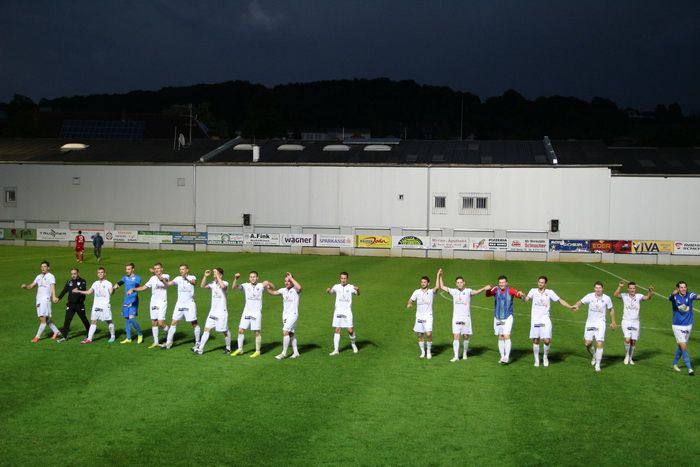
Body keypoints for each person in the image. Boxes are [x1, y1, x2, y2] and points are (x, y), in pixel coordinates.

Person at [522, 276, 576, 367]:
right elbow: (526, 299)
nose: (540, 284)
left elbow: (560, 300)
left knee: (547, 340)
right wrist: (522, 295)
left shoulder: (550, 292)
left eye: (542, 282)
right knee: (536, 340)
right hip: (535, 319)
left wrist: (570, 307)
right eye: (539, 282)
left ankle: (545, 357)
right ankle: (536, 360)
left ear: (545, 284)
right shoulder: (533, 291)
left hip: (545, 319)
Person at [438, 273, 490, 362]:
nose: (459, 284)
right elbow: (442, 287)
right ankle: (456, 356)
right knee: (456, 336)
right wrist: (440, 276)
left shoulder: (468, 291)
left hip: (466, 318)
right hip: (456, 318)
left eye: (461, 282)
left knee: (466, 336)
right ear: (456, 284)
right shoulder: (453, 291)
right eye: (458, 282)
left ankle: (465, 353)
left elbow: (476, 292)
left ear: (464, 282)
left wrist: (484, 288)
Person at [573, 281, 617, 373]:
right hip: (590, 323)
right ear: (594, 288)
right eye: (596, 288)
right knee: (587, 343)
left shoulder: (607, 298)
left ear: (602, 288)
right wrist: (577, 305)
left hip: (600, 323)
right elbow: (580, 301)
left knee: (599, 342)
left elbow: (611, 309)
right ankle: (594, 355)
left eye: (599, 288)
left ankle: (597, 364)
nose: (598, 289)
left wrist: (613, 322)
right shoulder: (590, 296)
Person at [127, 263, 170, 348]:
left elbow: (163, 280)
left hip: (162, 302)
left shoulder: (166, 276)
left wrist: (154, 273)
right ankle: (156, 342)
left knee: (160, 323)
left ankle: (169, 332)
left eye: (158, 268)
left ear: (162, 269)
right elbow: (144, 287)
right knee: (154, 322)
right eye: (155, 268)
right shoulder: (152, 278)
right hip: (153, 302)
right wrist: (133, 289)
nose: (157, 270)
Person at [486, 275, 525, 364]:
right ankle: (502, 356)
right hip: (497, 317)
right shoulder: (495, 289)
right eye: (500, 282)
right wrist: (488, 289)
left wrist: (521, 294)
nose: (501, 284)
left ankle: (507, 357)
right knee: (500, 336)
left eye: (503, 282)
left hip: (508, 317)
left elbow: (519, 296)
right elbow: (487, 294)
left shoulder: (511, 290)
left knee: (506, 335)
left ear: (506, 283)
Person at [21, 260, 63, 342]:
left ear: (48, 268)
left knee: (42, 319)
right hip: (38, 300)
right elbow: (31, 286)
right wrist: (26, 286)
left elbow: (53, 287)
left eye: (45, 266)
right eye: (42, 266)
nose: (43, 268)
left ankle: (37, 337)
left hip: (45, 299)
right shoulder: (38, 277)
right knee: (46, 319)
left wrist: (54, 296)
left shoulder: (51, 276)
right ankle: (56, 332)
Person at [159, 264, 200, 349]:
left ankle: (197, 342)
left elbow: (194, 283)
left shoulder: (192, 277)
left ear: (187, 270)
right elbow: (168, 284)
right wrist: (163, 280)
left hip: (189, 304)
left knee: (194, 323)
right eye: (180, 269)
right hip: (180, 304)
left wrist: (186, 278)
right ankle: (168, 342)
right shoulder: (177, 278)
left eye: (183, 269)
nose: (181, 271)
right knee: (173, 322)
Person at [613, 280, 653, 365]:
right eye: (630, 288)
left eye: (633, 288)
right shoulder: (624, 296)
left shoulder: (639, 296)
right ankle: (627, 356)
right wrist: (620, 286)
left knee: (633, 341)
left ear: (635, 289)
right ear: (628, 289)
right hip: (626, 321)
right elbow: (615, 295)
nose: (632, 290)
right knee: (627, 339)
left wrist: (650, 292)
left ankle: (630, 358)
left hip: (635, 322)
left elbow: (647, 298)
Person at [264, 272, 302, 360]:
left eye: (288, 281)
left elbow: (300, 287)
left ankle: (283, 353)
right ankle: (296, 352)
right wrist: (267, 288)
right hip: (285, 315)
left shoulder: (296, 290)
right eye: (285, 281)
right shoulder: (283, 290)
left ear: (292, 281)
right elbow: (273, 292)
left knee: (285, 331)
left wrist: (291, 278)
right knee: (291, 333)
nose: (287, 283)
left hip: (293, 314)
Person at [194, 268, 231, 355]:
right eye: (214, 273)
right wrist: (205, 276)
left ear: (221, 275)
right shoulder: (212, 283)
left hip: (221, 312)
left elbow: (223, 287)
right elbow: (202, 286)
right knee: (206, 329)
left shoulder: (225, 283)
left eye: (216, 273)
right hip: (213, 312)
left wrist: (218, 277)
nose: (214, 274)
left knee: (225, 331)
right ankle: (200, 349)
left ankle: (228, 348)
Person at [73, 267, 116, 344]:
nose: (100, 274)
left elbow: (111, 292)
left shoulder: (108, 283)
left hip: (105, 305)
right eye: (99, 272)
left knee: (109, 321)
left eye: (102, 272)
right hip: (96, 305)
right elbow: (89, 292)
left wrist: (114, 289)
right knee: (93, 321)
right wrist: (78, 291)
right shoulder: (95, 283)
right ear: (97, 274)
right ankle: (89, 339)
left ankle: (112, 336)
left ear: (104, 273)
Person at [231, 271, 267, 358]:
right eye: (251, 277)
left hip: (256, 312)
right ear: (249, 278)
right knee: (240, 330)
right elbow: (234, 287)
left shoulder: (261, 285)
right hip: (247, 312)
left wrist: (268, 283)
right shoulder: (245, 285)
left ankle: (257, 351)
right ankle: (240, 349)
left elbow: (273, 287)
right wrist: (236, 279)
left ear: (257, 278)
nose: (252, 278)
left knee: (257, 332)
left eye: (254, 277)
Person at [407, 270, 442, 359]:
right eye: (422, 282)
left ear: (428, 283)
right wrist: (410, 303)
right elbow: (411, 300)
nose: (423, 283)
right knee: (420, 335)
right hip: (419, 316)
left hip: (428, 316)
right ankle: (423, 352)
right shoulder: (416, 292)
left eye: (424, 282)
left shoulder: (431, 292)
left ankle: (429, 351)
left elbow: (437, 287)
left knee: (429, 334)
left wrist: (438, 275)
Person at [326, 271, 360, 356]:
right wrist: (328, 290)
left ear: (347, 279)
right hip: (338, 311)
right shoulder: (336, 286)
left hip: (347, 311)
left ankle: (353, 344)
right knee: (337, 329)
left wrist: (358, 290)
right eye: (342, 278)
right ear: (340, 278)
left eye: (344, 278)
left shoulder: (351, 287)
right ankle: (336, 350)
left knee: (350, 330)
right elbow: (331, 292)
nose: (343, 280)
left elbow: (357, 294)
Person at [669, 281, 697, 375]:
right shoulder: (675, 297)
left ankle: (674, 363)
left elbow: (697, 296)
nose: (684, 289)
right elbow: (670, 298)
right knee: (684, 347)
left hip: (688, 325)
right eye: (681, 287)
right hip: (677, 326)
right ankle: (690, 369)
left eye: (685, 287)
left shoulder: (690, 295)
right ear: (678, 289)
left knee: (681, 347)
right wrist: (673, 294)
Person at [112, 263, 143, 344]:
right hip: (126, 300)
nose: (127, 271)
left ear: (133, 269)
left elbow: (138, 286)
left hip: (134, 300)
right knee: (127, 319)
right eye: (126, 269)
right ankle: (128, 338)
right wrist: (114, 287)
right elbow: (119, 283)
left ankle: (140, 334)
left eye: (129, 269)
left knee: (131, 318)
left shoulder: (137, 278)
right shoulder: (125, 278)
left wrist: (133, 290)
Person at [56, 268, 90, 341]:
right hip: (70, 304)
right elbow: (65, 290)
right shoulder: (69, 281)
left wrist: (78, 290)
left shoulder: (83, 281)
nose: (73, 275)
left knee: (84, 319)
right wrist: (59, 298)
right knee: (67, 320)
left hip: (79, 305)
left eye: (74, 274)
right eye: (72, 274)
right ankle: (64, 336)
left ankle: (89, 334)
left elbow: (83, 289)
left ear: (78, 273)